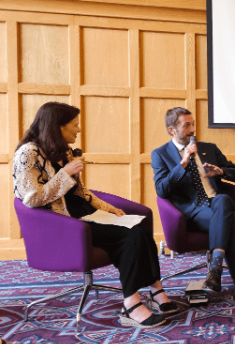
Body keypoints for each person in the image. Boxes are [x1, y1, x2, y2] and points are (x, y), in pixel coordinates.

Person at [13, 102, 175, 328]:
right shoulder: (28, 153)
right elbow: (31, 199)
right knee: (131, 236)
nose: (78, 130)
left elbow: (80, 191)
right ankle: (131, 305)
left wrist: (108, 208)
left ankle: (157, 291)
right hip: (61, 224)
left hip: (82, 215)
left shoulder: (64, 150)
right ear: (57, 126)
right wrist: (64, 174)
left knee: (141, 229)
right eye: (75, 125)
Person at [151, 107, 235, 310]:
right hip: (193, 211)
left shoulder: (208, 148)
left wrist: (221, 171)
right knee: (233, 219)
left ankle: (216, 268)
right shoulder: (161, 154)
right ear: (172, 130)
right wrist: (183, 163)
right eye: (187, 125)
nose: (193, 129)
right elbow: (162, 189)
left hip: (217, 203)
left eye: (193, 124)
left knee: (223, 201)